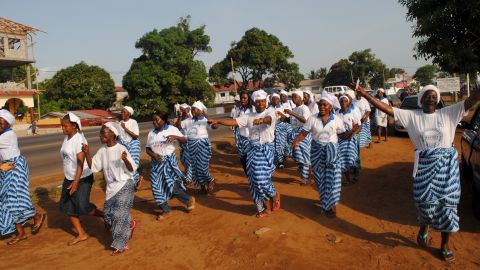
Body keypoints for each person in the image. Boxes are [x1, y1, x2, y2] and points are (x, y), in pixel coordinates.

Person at [356, 84, 480, 262]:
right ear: (421, 100)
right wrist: (365, 95)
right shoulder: (412, 116)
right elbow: (387, 109)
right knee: (425, 205)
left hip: (447, 171)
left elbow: (471, 100)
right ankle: (424, 226)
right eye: (427, 96)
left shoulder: (449, 113)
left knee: (448, 207)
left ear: (437, 100)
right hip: (424, 169)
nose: (431, 98)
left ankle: (444, 245)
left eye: (434, 96)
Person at [209, 89, 280, 218]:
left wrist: (262, 121)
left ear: (266, 102)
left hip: (266, 150)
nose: (261, 104)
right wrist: (219, 121)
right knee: (253, 181)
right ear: (254, 102)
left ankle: (274, 194)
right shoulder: (249, 116)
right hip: (252, 149)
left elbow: (269, 119)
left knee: (260, 178)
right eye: (258, 102)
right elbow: (234, 122)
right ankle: (265, 208)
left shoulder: (270, 112)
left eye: (263, 101)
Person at [83, 122, 137, 256]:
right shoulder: (102, 151)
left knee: (119, 215)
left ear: (113, 134)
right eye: (101, 133)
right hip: (111, 188)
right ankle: (129, 223)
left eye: (103, 133)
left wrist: (125, 160)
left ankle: (120, 244)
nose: (101, 135)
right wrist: (87, 153)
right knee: (107, 215)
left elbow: (132, 169)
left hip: (125, 184)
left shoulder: (121, 149)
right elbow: (93, 167)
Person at [292, 93, 347, 217]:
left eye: (324, 105)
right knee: (320, 179)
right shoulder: (312, 119)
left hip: (332, 153)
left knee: (333, 179)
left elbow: (343, 135)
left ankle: (331, 206)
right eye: (320, 104)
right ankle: (325, 200)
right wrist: (296, 141)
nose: (321, 107)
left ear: (330, 107)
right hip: (317, 152)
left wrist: (352, 132)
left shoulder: (337, 120)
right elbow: (303, 133)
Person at [0, 109, 46, 245]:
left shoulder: (8, 135)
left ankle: (36, 216)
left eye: (1, 122)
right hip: (5, 167)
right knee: (6, 199)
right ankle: (21, 232)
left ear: (8, 123)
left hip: (15, 166)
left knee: (14, 198)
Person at [58, 112, 103, 246]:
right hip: (69, 177)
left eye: (65, 126)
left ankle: (105, 216)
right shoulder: (67, 138)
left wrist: (76, 183)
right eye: (62, 126)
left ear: (74, 126)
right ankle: (81, 233)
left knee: (83, 205)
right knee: (68, 206)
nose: (63, 129)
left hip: (82, 177)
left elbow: (80, 163)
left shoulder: (79, 140)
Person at [146, 111, 195, 220]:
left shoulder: (172, 129)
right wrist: (154, 155)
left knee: (170, 185)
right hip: (156, 163)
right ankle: (166, 210)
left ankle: (188, 200)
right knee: (156, 187)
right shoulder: (151, 133)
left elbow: (185, 140)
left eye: (157, 120)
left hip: (169, 162)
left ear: (163, 120)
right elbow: (147, 149)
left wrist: (175, 137)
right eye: (153, 120)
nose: (154, 122)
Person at [181, 101, 217, 193]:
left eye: (195, 109)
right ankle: (202, 185)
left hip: (203, 145)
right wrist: (180, 115)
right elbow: (178, 125)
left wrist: (206, 116)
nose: (192, 111)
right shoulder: (189, 121)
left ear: (201, 111)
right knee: (195, 167)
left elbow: (215, 126)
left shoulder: (205, 120)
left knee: (202, 167)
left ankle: (210, 179)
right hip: (191, 146)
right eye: (192, 109)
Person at [284, 90, 312, 185]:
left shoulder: (304, 108)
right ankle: (304, 174)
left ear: (301, 98)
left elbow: (305, 120)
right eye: (292, 97)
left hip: (303, 134)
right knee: (297, 156)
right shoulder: (294, 109)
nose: (293, 99)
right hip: (294, 134)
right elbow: (292, 122)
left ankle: (306, 179)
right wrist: (284, 117)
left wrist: (292, 113)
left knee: (304, 157)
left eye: (295, 97)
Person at [336, 96, 361, 185]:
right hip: (341, 138)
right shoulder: (336, 113)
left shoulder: (353, 112)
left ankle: (355, 174)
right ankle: (347, 179)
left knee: (352, 157)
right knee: (342, 158)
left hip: (351, 138)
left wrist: (353, 133)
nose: (343, 103)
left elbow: (358, 127)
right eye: (341, 101)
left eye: (345, 101)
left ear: (348, 102)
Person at [118, 106, 142, 191]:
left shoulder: (133, 122)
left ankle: (134, 182)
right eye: (122, 112)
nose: (122, 113)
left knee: (133, 164)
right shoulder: (120, 122)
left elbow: (136, 135)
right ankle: (133, 180)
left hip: (133, 143)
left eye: (124, 112)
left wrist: (125, 128)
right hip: (123, 144)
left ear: (129, 114)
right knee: (124, 163)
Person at [231, 91, 254, 174]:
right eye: (241, 98)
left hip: (251, 138)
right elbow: (234, 121)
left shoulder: (253, 109)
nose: (242, 100)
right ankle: (248, 176)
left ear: (249, 99)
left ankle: (253, 178)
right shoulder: (238, 110)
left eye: (245, 98)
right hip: (241, 137)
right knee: (242, 159)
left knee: (250, 159)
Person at [269, 93, 292, 169]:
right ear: (271, 100)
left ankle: (284, 157)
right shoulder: (268, 109)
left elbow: (285, 118)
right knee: (277, 145)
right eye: (274, 98)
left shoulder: (281, 107)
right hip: (274, 129)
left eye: (277, 98)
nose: (275, 100)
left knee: (284, 144)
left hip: (283, 128)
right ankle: (279, 162)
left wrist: (282, 115)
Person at [174, 103, 193, 185]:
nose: (180, 111)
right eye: (180, 109)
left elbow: (190, 122)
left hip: (189, 141)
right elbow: (178, 127)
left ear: (187, 110)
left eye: (182, 109)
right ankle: (191, 175)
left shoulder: (191, 117)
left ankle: (189, 179)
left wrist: (187, 113)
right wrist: (180, 116)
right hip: (181, 142)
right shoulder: (179, 118)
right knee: (183, 160)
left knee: (189, 161)